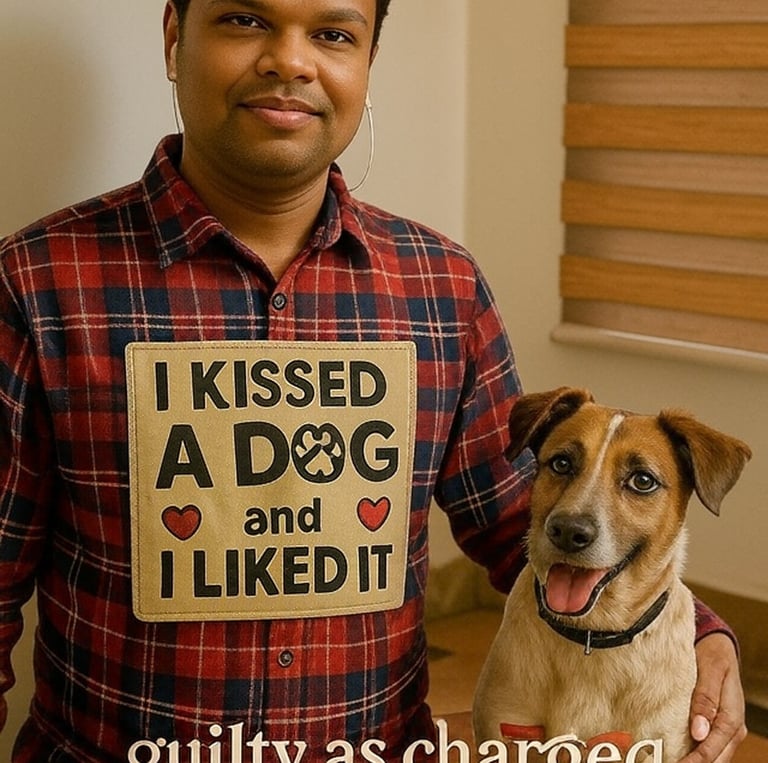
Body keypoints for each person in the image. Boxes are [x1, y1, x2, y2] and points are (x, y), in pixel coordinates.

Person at [0, 1, 747, 761]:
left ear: (366, 63)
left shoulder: (442, 289)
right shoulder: (39, 282)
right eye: (244, 20)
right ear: (173, 36)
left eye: (332, 34)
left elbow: (523, 525)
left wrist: (701, 631)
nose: (292, 62)